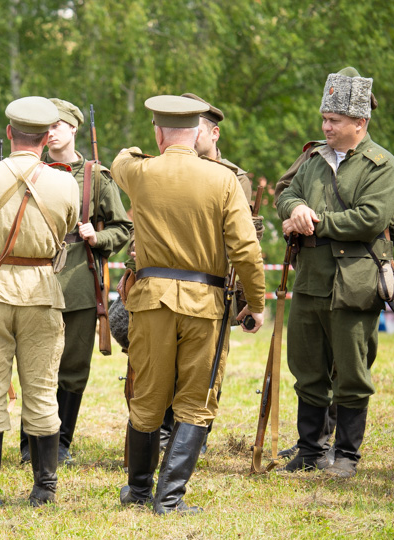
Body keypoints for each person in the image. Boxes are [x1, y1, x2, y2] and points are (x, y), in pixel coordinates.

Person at [111, 95, 265, 515]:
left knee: (147, 398)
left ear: (159, 133)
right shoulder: (223, 180)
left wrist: (146, 151)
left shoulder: (139, 171)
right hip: (205, 304)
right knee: (196, 401)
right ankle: (170, 498)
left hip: (151, 302)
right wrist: (256, 302)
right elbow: (247, 250)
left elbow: (120, 159)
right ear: (199, 132)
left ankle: (139, 491)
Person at [276, 68, 394, 479]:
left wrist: (316, 222)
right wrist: (294, 209)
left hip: (356, 283)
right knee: (307, 367)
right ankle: (310, 450)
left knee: (352, 370)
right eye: (324, 119)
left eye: (333, 120)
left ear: (359, 123)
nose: (325, 127)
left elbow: (372, 218)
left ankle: (346, 454)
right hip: (311, 277)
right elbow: (287, 191)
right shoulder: (313, 158)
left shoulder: (381, 165)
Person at [0, 96, 78, 507]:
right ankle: (44, 488)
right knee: (43, 390)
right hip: (41, 292)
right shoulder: (65, 181)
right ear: (48, 137)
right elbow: (66, 229)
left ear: (10, 132)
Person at [16, 97, 131, 465]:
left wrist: (98, 238)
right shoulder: (29, 170)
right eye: (45, 128)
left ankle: (60, 443)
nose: (49, 134)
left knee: (72, 369)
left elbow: (122, 227)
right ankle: (28, 444)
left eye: (56, 126)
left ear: (73, 128)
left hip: (80, 285)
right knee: (35, 366)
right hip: (33, 280)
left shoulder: (96, 177)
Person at [154, 93, 264, 454]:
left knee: (205, 368)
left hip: (213, 285)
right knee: (161, 365)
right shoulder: (162, 167)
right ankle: (164, 432)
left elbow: (244, 243)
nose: (187, 135)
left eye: (195, 128)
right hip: (164, 283)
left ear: (213, 134)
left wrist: (247, 298)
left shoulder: (233, 178)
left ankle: (192, 439)